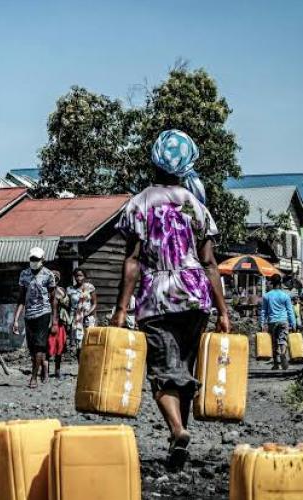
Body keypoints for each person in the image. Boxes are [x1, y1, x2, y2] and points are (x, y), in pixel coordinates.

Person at [110, 129, 230, 467]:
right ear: (187, 165)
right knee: (186, 369)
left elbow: (132, 261)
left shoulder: (139, 204)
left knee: (163, 370)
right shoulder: (196, 206)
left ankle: (177, 430)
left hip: (158, 298)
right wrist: (223, 311)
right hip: (196, 297)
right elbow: (210, 263)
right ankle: (180, 443)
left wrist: (121, 309)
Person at [12, 246, 58, 388]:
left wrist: (54, 320)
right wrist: (15, 319)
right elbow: (21, 298)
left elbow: (53, 299)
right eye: (32, 259)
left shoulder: (48, 275)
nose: (34, 261)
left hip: (43, 313)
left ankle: (33, 377)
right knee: (32, 347)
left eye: (36, 259)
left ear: (42, 259)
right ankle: (43, 365)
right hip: (29, 314)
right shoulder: (24, 274)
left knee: (39, 345)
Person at [260, 273, 296, 370]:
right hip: (283, 321)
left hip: (272, 322)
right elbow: (290, 311)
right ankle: (283, 354)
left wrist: (262, 323)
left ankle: (276, 364)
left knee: (274, 342)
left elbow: (264, 311)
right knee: (282, 340)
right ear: (280, 283)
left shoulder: (266, 296)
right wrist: (293, 323)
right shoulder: (285, 296)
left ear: (271, 283)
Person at [66, 267, 98, 355]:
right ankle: (81, 365)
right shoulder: (70, 289)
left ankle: (90, 365)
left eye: (80, 276)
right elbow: (68, 306)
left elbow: (94, 303)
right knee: (79, 344)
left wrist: (88, 313)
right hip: (76, 319)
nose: (78, 278)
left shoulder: (90, 287)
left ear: (84, 277)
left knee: (89, 342)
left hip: (88, 318)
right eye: (76, 276)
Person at [47, 270, 69, 378]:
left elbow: (67, 304)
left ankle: (57, 370)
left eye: (56, 278)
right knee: (47, 347)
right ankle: (45, 371)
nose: (53, 280)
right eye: (52, 278)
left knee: (59, 347)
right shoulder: (44, 290)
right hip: (46, 322)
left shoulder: (61, 291)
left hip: (60, 323)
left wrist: (60, 297)